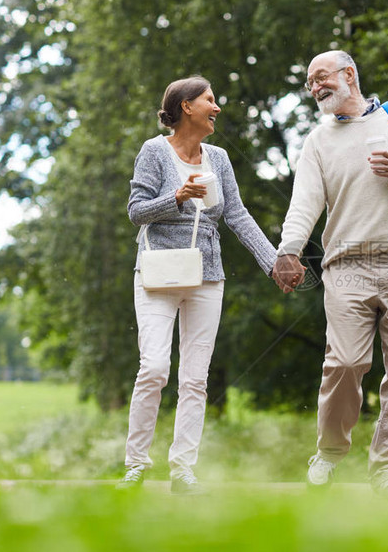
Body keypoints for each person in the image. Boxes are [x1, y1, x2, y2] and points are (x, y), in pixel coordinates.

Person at [272, 51, 388, 499]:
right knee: (345, 362)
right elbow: (304, 204)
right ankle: (329, 454)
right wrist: (288, 251)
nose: (314, 88)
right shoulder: (316, 141)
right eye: (309, 82)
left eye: (320, 77)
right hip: (348, 266)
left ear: (348, 75)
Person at [119, 76, 278, 494]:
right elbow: (136, 211)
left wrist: (273, 262)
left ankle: (182, 468)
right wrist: (177, 196)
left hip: (207, 276)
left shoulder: (219, 158)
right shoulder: (154, 151)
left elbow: (238, 216)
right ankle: (136, 463)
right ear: (187, 107)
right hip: (158, 272)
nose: (217, 107)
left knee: (195, 378)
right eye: (210, 100)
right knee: (154, 368)